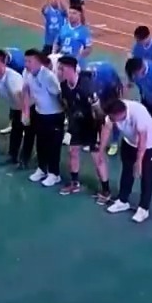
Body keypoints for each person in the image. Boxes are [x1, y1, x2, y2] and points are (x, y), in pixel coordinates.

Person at [57, 56, 111, 201]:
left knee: (97, 157)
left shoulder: (87, 86)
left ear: (72, 69)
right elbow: (67, 105)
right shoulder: (64, 86)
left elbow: (99, 112)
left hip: (93, 125)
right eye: (59, 68)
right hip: (77, 124)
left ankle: (106, 190)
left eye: (62, 69)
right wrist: (71, 121)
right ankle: (75, 183)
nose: (59, 72)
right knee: (73, 151)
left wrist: (99, 131)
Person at [100, 98, 152, 224]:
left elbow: (143, 139)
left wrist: (138, 162)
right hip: (129, 141)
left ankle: (144, 208)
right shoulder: (113, 111)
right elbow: (106, 129)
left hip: (148, 144)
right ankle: (123, 201)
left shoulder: (138, 113)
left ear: (121, 114)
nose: (111, 119)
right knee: (127, 171)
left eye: (113, 118)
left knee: (146, 176)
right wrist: (100, 151)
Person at [22, 49, 65, 187]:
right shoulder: (27, 74)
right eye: (25, 61)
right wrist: (25, 112)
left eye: (29, 61)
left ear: (39, 62)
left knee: (54, 146)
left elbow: (59, 96)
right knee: (41, 143)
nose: (26, 64)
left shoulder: (48, 77)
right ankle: (42, 169)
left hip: (54, 115)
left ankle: (54, 174)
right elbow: (26, 91)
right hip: (39, 113)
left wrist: (64, 117)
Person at [0, 50, 28, 167]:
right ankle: (13, 156)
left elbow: (21, 98)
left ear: (4, 65)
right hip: (16, 108)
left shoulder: (12, 78)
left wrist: (25, 115)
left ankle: (24, 160)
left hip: (27, 108)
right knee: (16, 132)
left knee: (29, 134)